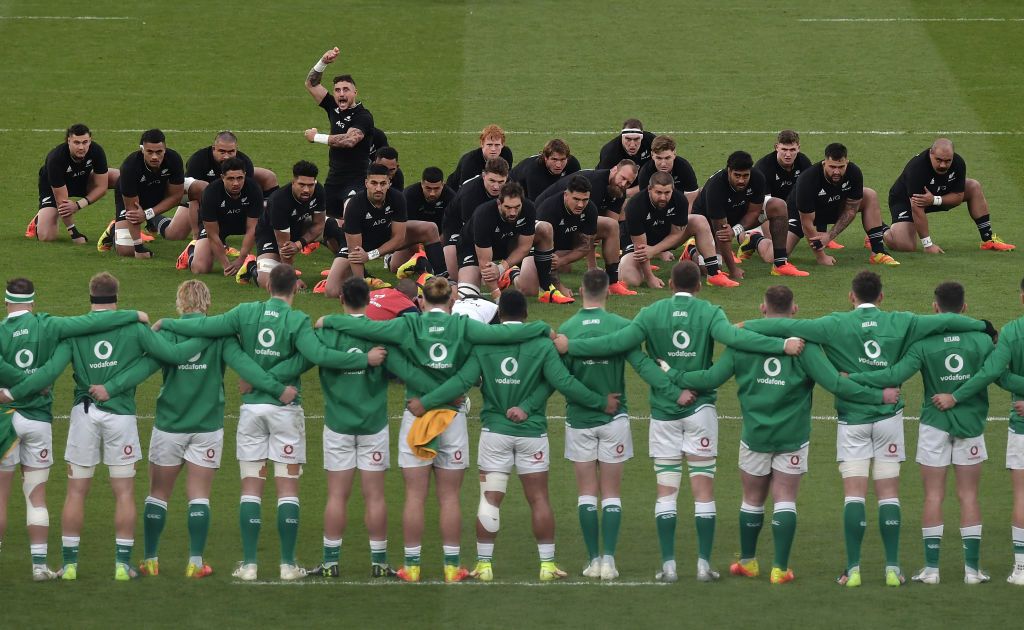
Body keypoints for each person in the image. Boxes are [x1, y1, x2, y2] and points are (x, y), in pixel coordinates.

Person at [554, 261, 805, 583]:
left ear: (670, 284)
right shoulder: (710, 312)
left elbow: (615, 344)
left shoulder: (650, 314)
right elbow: (735, 339)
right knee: (703, 490)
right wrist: (781, 345)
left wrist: (572, 346)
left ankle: (669, 566)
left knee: (666, 491)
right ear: (699, 286)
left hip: (664, 413)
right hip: (701, 411)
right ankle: (703, 566)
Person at [742, 270, 991, 587]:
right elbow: (946, 321)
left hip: (853, 420)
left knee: (854, 495)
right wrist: (982, 325)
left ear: (851, 296)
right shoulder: (902, 321)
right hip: (889, 418)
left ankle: (853, 570)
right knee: (888, 494)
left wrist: (744, 326)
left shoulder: (833, 324)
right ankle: (892, 569)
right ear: (881, 297)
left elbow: (784, 326)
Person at [315, 277, 551, 583]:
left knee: (415, 496)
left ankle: (412, 567)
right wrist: (542, 328)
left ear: (421, 301)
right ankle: (452, 567)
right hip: (451, 417)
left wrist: (329, 320)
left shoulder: (408, 325)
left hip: (417, 415)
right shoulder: (463, 326)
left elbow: (367, 328)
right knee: (449, 497)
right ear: (451, 301)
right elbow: (503, 333)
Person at [156, 264, 383, 581]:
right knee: (287, 489)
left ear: (267, 287)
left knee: (251, 487)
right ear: (296, 289)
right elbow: (316, 356)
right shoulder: (298, 320)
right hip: (285, 410)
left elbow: (206, 327)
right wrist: (362, 359)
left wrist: (167, 322)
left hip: (252, 412)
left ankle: (249, 565)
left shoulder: (245, 312)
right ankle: (287, 565)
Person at [668, 285, 896, 585]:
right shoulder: (805, 347)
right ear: (795, 310)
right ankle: (780, 568)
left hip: (755, 434)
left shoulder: (741, 343)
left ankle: (748, 562)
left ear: (763, 308)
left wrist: (673, 375)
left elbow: (711, 378)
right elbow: (836, 385)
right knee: (785, 499)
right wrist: (879, 396)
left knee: (752, 499)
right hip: (793, 436)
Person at [82, 280, 298, 579]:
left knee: (158, 494)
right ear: (206, 302)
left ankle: (150, 559)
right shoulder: (219, 336)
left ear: (180, 302)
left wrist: (111, 387)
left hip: (170, 424)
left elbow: (143, 368)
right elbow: (246, 366)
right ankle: (195, 562)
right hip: (207, 426)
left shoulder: (168, 334)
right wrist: (276, 388)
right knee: (199, 496)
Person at [2, 272, 207, 581]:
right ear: (116, 296)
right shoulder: (136, 329)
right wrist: (204, 332)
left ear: (90, 295)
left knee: (76, 491)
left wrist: (16, 391)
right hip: (120, 415)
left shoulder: (74, 332)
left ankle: (70, 566)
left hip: (83, 414)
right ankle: (122, 565)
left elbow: (51, 371)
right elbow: (171, 355)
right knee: (123, 492)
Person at [413, 289, 620, 582]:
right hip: (531, 434)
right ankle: (547, 565)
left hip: (495, 433)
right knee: (539, 498)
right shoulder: (542, 345)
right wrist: (599, 402)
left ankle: (484, 565)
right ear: (526, 314)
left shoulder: (484, 346)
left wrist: (427, 400)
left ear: (499, 315)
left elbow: (462, 381)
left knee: (490, 499)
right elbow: (563, 382)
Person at [848, 282, 994, 585]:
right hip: (970, 425)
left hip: (933, 424)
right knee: (969, 496)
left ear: (934, 307)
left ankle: (931, 570)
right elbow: (992, 374)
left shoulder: (924, 343)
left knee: (933, 495)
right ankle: (972, 571)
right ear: (965, 308)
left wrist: (856, 377)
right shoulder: (982, 341)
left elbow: (895, 375)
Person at [0, 278, 144, 581]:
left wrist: (17, 389)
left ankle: (60, 566)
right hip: (39, 420)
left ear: (6, 302)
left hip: (7, 419)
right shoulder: (48, 324)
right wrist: (133, 315)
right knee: (37, 495)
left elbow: (36, 369)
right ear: (32, 302)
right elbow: (93, 321)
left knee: (5, 496)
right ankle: (42, 567)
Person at [306, 277, 445, 579]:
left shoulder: (325, 332)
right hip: (373, 426)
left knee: (336, 496)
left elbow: (316, 357)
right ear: (369, 300)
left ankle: (330, 562)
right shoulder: (380, 336)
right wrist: (445, 391)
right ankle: (379, 562)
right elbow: (406, 372)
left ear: (341, 298)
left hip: (338, 425)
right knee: (375, 496)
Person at [553, 270, 686, 580]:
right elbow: (643, 366)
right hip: (615, 420)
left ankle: (593, 560)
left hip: (580, 420)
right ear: (608, 292)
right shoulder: (621, 327)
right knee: (611, 494)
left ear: (581, 290)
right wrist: (674, 392)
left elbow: (562, 380)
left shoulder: (566, 330)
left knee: (587, 494)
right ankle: (610, 561)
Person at [933, 276, 1024, 584]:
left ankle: (1021, 569)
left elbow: (995, 374)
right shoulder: (1004, 333)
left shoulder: (1012, 332)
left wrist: (956, 396)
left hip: (1021, 426)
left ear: (1022, 297)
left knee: (1021, 496)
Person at [321, 164, 448, 297]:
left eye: (383, 183)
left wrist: (370, 255)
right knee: (332, 291)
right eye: (374, 183)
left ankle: (443, 277)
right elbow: (355, 251)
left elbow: (399, 238)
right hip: (360, 245)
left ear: (389, 183)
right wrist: (360, 285)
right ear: (366, 183)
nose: (378, 188)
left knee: (429, 228)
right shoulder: (354, 205)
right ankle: (359, 279)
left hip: (386, 237)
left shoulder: (397, 198)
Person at [882, 138, 1014, 253]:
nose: (943, 165)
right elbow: (916, 208)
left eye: (947, 161)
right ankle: (878, 229)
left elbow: (958, 197)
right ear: (931, 153)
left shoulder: (958, 163)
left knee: (973, 186)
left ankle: (988, 240)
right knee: (905, 246)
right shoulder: (916, 168)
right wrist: (928, 245)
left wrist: (934, 200)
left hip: (934, 196)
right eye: (938, 160)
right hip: (905, 200)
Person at [782, 143, 899, 269]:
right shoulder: (808, 179)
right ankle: (763, 238)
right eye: (832, 167)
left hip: (832, 207)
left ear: (846, 163)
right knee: (775, 256)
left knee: (869, 195)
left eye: (841, 167)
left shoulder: (854, 172)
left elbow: (851, 210)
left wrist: (829, 236)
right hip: (800, 215)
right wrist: (821, 257)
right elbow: (806, 223)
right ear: (824, 163)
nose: (836, 171)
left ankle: (878, 252)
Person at [455, 181, 573, 304]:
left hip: (506, 242)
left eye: (517, 207)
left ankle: (546, 289)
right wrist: (499, 299)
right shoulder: (483, 215)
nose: (513, 213)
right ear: (499, 203)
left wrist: (501, 268)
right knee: (466, 296)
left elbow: (524, 247)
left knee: (545, 229)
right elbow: (485, 265)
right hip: (472, 250)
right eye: (508, 207)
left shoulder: (528, 208)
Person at [691, 151, 802, 279]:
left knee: (778, 205)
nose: (741, 180)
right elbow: (721, 232)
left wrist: (735, 230)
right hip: (710, 225)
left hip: (739, 212)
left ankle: (780, 264)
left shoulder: (757, 177)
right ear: (729, 171)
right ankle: (691, 250)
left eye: (745, 176)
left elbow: (754, 212)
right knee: (709, 270)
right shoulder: (716, 187)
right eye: (737, 175)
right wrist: (733, 269)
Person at [619, 172, 734, 288]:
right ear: (649, 189)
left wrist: (654, 250)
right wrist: (650, 277)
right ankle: (627, 266)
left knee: (699, 221)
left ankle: (714, 274)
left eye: (667, 193)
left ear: (672, 190)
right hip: (637, 245)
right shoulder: (635, 205)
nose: (663, 197)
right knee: (631, 280)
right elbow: (641, 248)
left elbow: (676, 234)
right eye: (658, 192)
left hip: (663, 238)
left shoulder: (679, 200)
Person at [532, 174, 635, 297]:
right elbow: (545, 252)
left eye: (585, 200)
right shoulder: (549, 210)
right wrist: (559, 286)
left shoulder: (590, 208)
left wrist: (562, 261)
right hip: (541, 250)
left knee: (611, 224)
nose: (580, 205)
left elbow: (586, 246)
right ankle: (515, 272)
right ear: (566, 195)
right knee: (528, 288)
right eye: (576, 199)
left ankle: (613, 282)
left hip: (569, 239)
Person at [303, 47, 375, 217]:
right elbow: (311, 83)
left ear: (355, 92)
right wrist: (323, 62)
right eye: (337, 90)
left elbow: (350, 140)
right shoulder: (333, 106)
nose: (341, 94)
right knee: (325, 221)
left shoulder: (363, 116)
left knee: (350, 216)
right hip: (334, 178)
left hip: (357, 178)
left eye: (346, 90)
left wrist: (316, 137)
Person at [104, 129, 196, 258]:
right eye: (150, 152)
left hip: (161, 190)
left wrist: (148, 214)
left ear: (165, 149)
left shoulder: (173, 159)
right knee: (126, 251)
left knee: (201, 188)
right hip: (135, 201)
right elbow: (133, 211)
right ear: (142, 150)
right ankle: (114, 229)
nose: (154, 157)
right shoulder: (130, 167)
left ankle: (201, 239)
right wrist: (139, 248)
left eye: (159, 152)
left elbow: (176, 196)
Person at [240, 160, 326, 290]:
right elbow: (284, 246)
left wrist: (299, 244)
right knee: (268, 283)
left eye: (310, 185)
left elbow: (319, 224)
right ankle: (251, 265)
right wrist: (292, 279)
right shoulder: (279, 201)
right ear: (293, 182)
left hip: (299, 228)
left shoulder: (318, 190)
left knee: (333, 226)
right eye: (302, 185)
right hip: (271, 236)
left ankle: (344, 268)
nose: (306, 190)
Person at [28, 123, 116, 244]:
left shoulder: (96, 151)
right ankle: (40, 219)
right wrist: (74, 233)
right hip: (54, 188)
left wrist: (77, 205)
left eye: (85, 142)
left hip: (82, 180)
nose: (81, 147)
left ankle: (123, 224)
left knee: (119, 177)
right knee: (47, 237)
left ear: (90, 141)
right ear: (68, 141)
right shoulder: (56, 159)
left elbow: (102, 187)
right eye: (76, 142)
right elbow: (62, 202)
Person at [183, 157, 262, 276]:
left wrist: (241, 259)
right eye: (230, 178)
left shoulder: (254, 189)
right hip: (218, 226)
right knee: (200, 268)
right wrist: (226, 265)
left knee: (268, 229)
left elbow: (252, 228)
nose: (236, 183)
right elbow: (212, 234)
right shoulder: (210, 193)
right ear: (222, 177)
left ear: (245, 175)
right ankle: (191, 250)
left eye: (240, 178)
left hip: (243, 223)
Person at [442, 158, 510, 286]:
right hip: (458, 226)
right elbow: (470, 234)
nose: (496, 187)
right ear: (484, 176)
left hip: (492, 219)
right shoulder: (469, 194)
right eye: (492, 181)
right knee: (457, 277)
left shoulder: (511, 187)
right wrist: (484, 267)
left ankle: (510, 271)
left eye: (501, 182)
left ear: (507, 177)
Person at [185, 130, 279, 198]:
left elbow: (247, 191)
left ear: (236, 150)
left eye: (230, 152)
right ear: (214, 149)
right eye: (222, 152)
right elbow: (189, 190)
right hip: (201, 199)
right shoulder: (198, 160)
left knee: (268, 175)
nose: (226, 156)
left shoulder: (245, 162)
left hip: (233, 199)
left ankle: (270, 211)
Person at [535, 161, 638, 221]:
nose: (624, 184)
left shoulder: (619, 189)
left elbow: (612, 222)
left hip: (569, 213)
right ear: (614, 170)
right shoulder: (595, 183)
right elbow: (586, 220)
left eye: (628, 183)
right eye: (622, 178)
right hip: (544, 212)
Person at [510, 138, 582, 201]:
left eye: (562, 159)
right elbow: (537, 205)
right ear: (545, 158)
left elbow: (578, 190)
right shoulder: (535, 171)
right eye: (554, 159)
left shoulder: (572, 164)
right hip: (514, 191)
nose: (558, 165)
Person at [447, 124, 514, 191]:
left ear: (502, 144)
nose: (493, 149)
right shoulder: (470, 161)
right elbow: (465, 189)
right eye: (489, 145)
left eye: (497, 145)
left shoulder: (506, 154)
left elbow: (506, 179)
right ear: (482, 144)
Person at [635, 135, 699, 197]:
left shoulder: (684, 167)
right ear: (652, 155)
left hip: (680, 202)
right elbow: (645, 200)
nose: (663, 164)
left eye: (667, 158)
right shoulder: (645, 172)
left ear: (674, 154)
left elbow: (692, 196)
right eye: (659, 158)